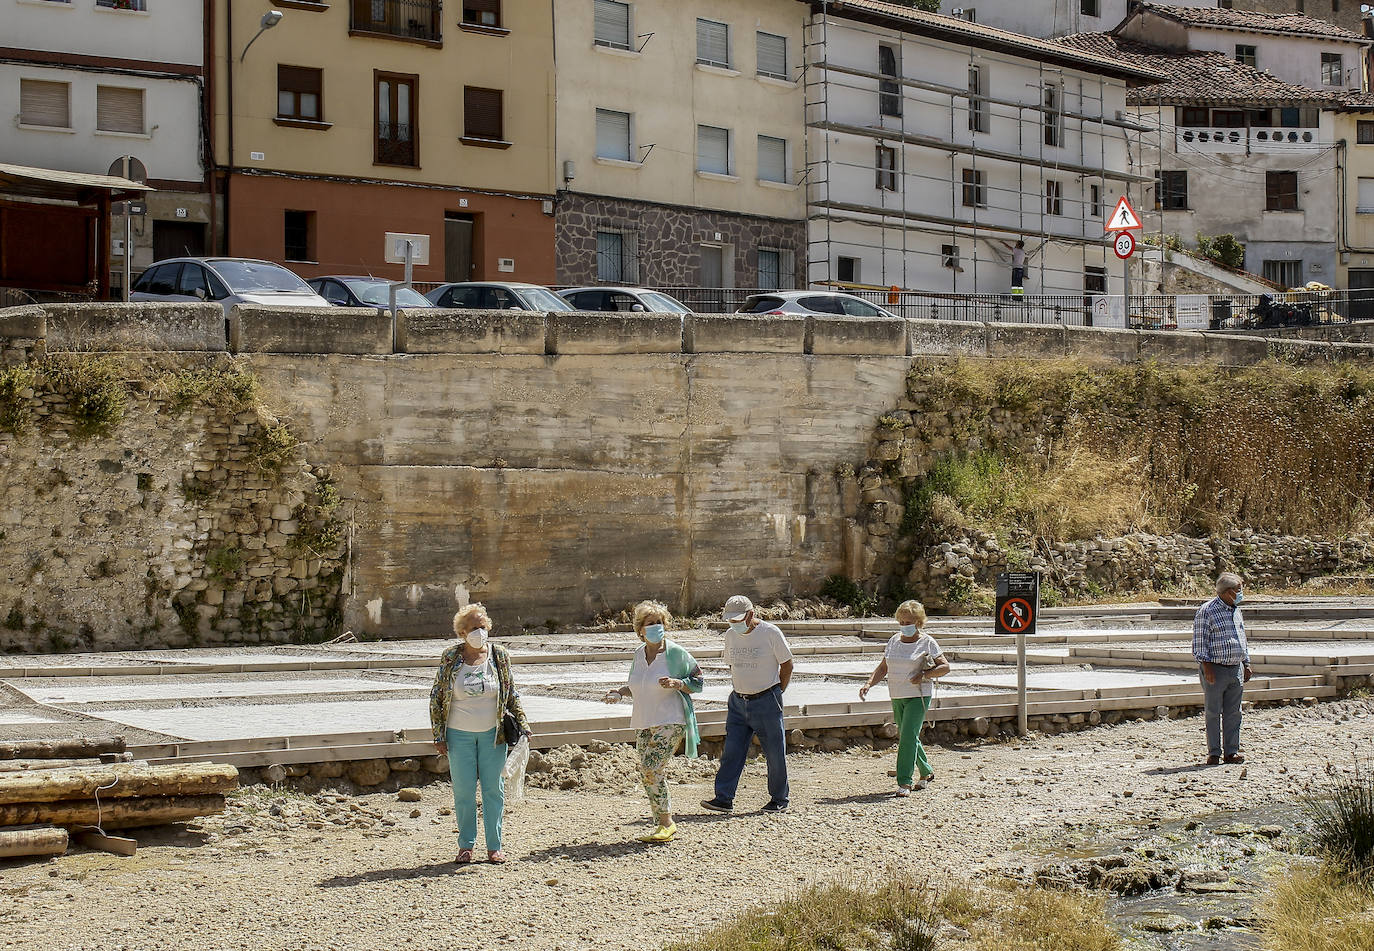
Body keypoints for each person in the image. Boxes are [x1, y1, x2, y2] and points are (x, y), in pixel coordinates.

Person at [429, 603, 529, 865]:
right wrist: (439, 734)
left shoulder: (500, 656)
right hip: (458, 734)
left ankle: (494, 846)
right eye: (474, 628)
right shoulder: (451, 657)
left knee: (493, 790)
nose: (479, 632)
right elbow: (437, 697)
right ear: (462, 632)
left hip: (493, 735)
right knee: (463, 791)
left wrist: (524, 725)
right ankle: (466, 845)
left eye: (483, 627)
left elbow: (511, 694)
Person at [602, 600, 705, 844]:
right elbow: (636, 686)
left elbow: (698, 681)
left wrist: (678, 683)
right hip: (645, 721)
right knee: (649, 772)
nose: (656, 627)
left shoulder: (676, 653)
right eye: (651, 623)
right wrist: (619, 693)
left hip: (670, 720)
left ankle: (667, 823)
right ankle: (661, 821)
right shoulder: (638, 655)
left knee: (650, 767)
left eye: (659, 623)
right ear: (640, 630)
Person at [701, 595, 794, 814]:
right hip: (738, 700)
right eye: (731, 621)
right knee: (732, 750)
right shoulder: (730, 635)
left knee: (774, 751)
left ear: (751, 614)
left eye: (738, 620)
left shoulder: (770, 633)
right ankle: (723, 798)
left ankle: (779, 799)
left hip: (766, 699)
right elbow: (732, 665)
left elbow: (787, 665)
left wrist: (777, 691)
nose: (734, 625)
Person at [859, 600, 950, 796]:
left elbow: (944, 667)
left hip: (918, 696)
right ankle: (926, 771)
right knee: (909, 737)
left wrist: (924, 675)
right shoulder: (893, 640)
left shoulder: (927, 641)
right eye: (901, 621)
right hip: (897, 695)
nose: (904, 626)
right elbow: (883, 667)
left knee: (907, 737)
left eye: (908, 622)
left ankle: (904, 782)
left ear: (918, 622)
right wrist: (868, 684)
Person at [1193, 573, 1252, 766]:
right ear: (1228, 592)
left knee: (1234, 712)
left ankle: (1231, 751)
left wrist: (1246, 662)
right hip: (1215, 669)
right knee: (1213, 712)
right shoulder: (1207, 611)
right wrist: (1206, 667)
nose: (1241, 593)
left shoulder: (1236, 611)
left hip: (1235, 668)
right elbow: (1200, 642)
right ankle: (1214, 753)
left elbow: (1242, 637)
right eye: (1238, 590)